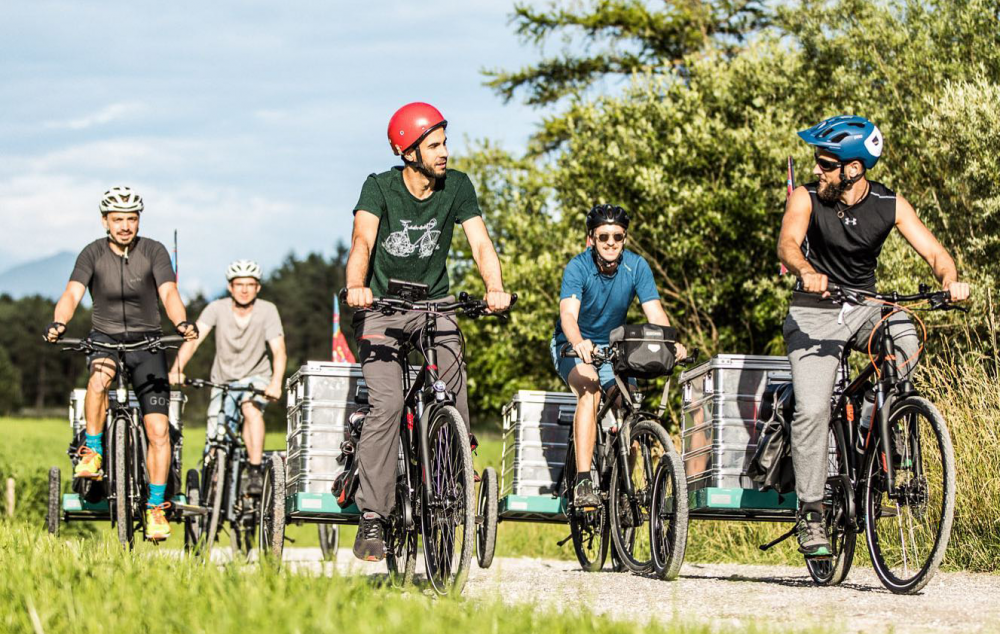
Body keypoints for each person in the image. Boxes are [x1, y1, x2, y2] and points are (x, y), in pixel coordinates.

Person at [778, 115, 970, 557]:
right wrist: (805, 270)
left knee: (905, 335)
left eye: (827, 164)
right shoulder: (806, 198)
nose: (817, 170)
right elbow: (787, 243)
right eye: (817, 162)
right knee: (813, 409)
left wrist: (949, 280)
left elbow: (935, 253)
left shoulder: (889, 203)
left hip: (865, 306)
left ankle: (875, 419)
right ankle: (811, 513)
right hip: (814, 312)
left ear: (854, 168)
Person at [343, 102, 512, 561]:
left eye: (444, 142)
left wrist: (494, 288)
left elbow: (481, 242)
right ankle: (373, 516)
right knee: (387, 404)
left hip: (435, 306)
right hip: (381, 309)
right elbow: (362, 240)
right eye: (434, 145)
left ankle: (453, 474)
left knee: (452, 382)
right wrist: (356, 285)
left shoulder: (457, 186)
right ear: (408, 152)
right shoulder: (379, 187)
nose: (444, 152)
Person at [44, 186, 198, 541]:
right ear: (105, 221)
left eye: (131, 219)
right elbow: (72, 293)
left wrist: (181, 323)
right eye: (118, 219)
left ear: (138, 220)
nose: (125, 226)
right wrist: (59, 322)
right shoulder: (92, 253)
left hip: (148, 343)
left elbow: (168, 292)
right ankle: (93, 450)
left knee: (158, 430)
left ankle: (156, 506)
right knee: (99, 380)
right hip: (105, 339)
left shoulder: (154, 251)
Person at [551, 204, 687, 508]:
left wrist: (671, 343)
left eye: (618, 236)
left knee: (631, 406)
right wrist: (579, 342)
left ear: (624, 238)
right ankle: (583, 481)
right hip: (573, 345)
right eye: (604, 237)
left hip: (615, 349)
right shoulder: (578, 268)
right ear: (591, 239)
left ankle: (622, 487)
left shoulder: (636, 267)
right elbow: (568, 316)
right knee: (589, 389)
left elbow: (655, 315)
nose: (611, 242)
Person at [169, 260, 286, 495]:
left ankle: (254, 472)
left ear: (258, 288)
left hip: (256, 378)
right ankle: (213, 482)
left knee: (250, 408)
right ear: (230, 287)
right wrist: (176, 369)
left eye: (250, 284)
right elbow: (194, 341)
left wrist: (276, 383)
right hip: (223, 381)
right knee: (215, 433)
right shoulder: (216, 308)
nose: (244, 290)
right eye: (239, 284)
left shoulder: (267, 310)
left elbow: (279, 350)